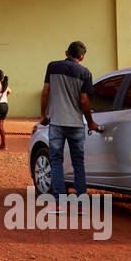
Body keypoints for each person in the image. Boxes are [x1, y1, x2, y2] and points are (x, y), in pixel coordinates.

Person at [40, 40, 101, 201]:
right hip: (76, 124)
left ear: (66, 53)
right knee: (78, 163)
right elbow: (84, 100)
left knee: (56, 161)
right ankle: (81, 200)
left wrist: (43, 114)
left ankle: (59, 200)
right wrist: (91, 121)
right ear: (81, 57)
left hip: (56, 123)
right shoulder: (85, 73)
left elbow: (45, 91)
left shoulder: (52, 67)